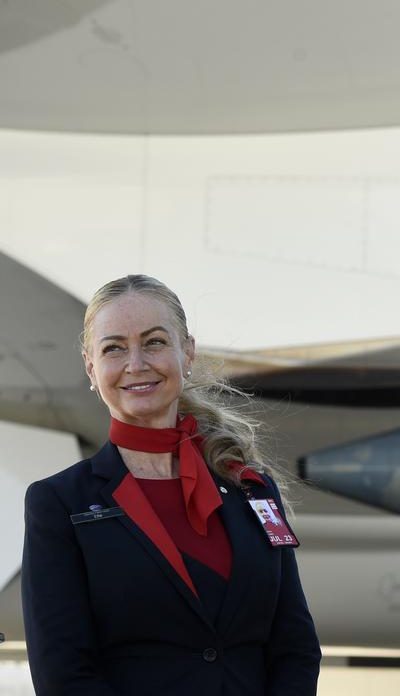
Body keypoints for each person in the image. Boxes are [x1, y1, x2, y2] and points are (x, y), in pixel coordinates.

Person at [21, 274, 321, 695]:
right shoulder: (59, 502)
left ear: (188, 353)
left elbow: (296, 648)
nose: (136, 363)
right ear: (92, 367)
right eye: (114, 348)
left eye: (155, 342)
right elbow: (63, 674)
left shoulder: (252, 489)